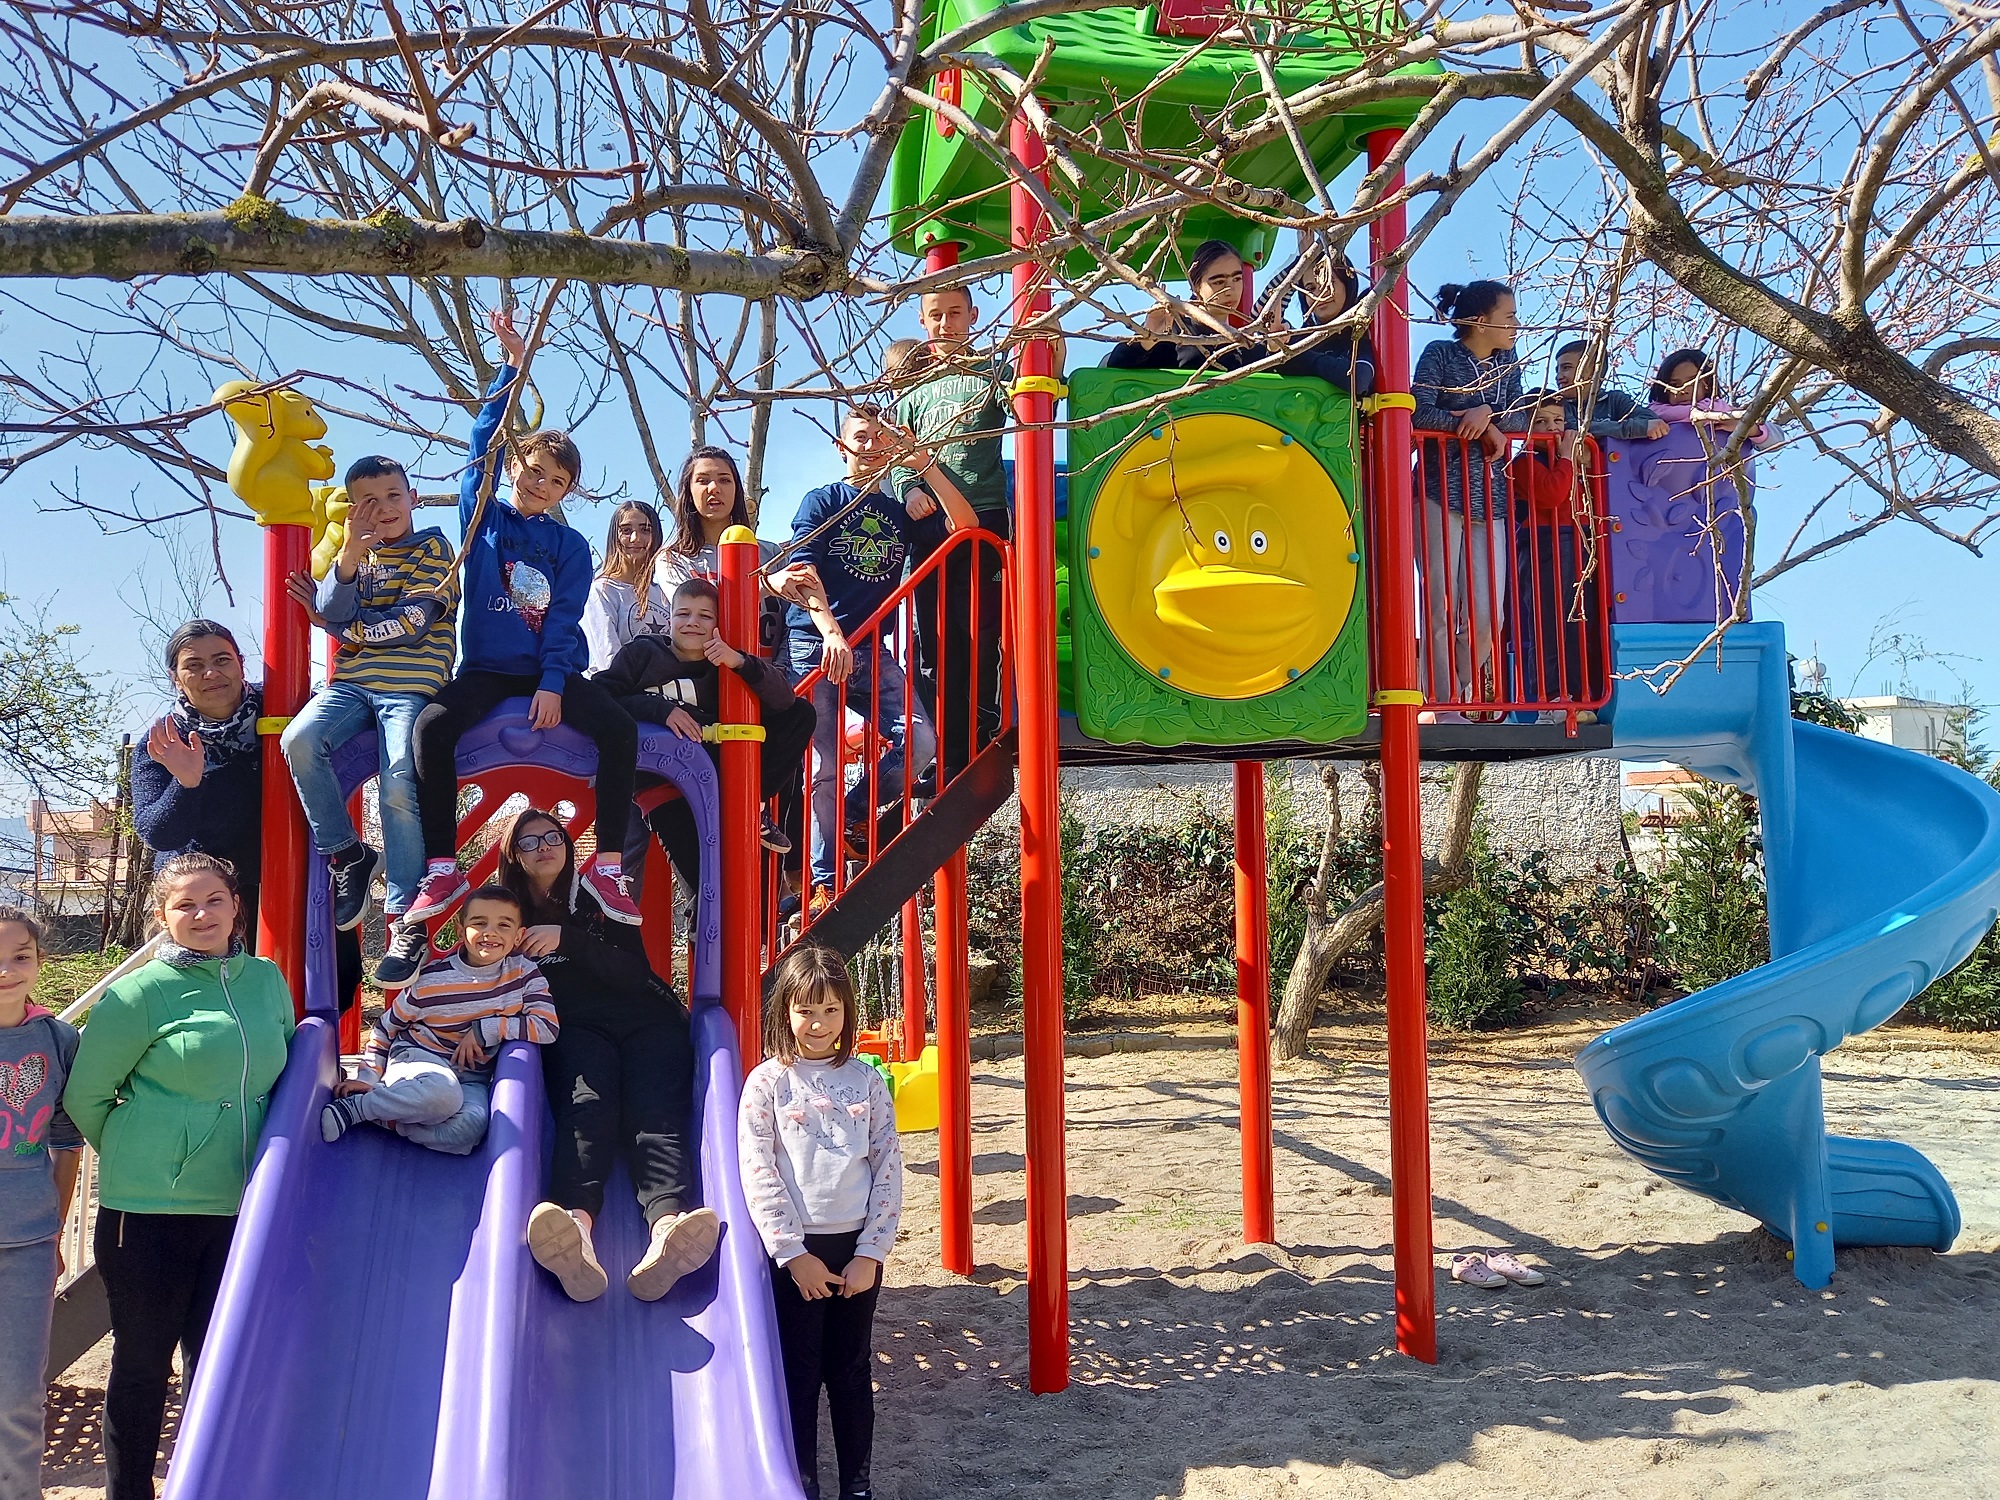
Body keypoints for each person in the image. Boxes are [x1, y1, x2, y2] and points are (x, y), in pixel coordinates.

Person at [63, 853, 295, 1500]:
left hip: (239, 1206)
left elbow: (291, 1064)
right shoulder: (138, 995)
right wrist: (154, 1152)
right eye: (184, 905)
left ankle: (206, 1485)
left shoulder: (266, 981)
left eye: (213, 900)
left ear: (234, 906)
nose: (201, 914)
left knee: (214, 1364)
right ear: (161, 916)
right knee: (141, 1368)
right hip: (150, 1211)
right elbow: (88, 1096)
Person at [406, 308, 643, 934]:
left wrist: (553, 682)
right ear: (517, 468)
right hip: (485, 669)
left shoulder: (570, 547)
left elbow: (564, 619)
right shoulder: (486, 519)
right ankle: (439, 865)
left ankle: (608, 866)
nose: (543, 483)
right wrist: (511, 368)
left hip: (546, 672)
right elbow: (479, 448)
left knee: (619, 730)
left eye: (557, 480)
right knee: (430, 728)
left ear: (568, 492)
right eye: (535, 470)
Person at [495, 811, 721, 1303]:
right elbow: (479, 969)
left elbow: (632, 970)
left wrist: (568, 940)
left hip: (646, 1018)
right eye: (529, 841)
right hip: (576, 1028)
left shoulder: (599, 894)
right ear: (514, 855)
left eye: (552, 836)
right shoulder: (507, 917)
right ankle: (575, 1231)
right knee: (586, 1111)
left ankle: (666, 1230)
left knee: (655, 1115)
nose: (543, 847)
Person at [279, 455, 460, 987]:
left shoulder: (433, 548)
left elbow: (412, 622)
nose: (382, 509)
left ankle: (406, 919)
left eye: (393, 496)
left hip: (411, 686)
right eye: (368, 501)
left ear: (413, 498)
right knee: (299, 740)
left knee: (400, 776)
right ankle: (350, 854)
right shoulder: (353, 556)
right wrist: (350, 558)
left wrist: (345, 627)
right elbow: (333, 607)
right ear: (354, 509)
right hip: (353, 685)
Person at [788, 408, 973, 911]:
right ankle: (824, 879)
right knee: (824, 763)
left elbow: (966, 526)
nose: (869, 446)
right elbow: (801, 571)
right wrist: (831, 633)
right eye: (859, 438)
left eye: (878, 439)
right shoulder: (823, 500)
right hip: (817, 643)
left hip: (871, 648)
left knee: (921, 739)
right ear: (840, 446)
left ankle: (853, 812)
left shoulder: (897, 512)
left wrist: (925, 465)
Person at [132, 620, 365, 1009]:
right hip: (212, 891)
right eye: (194, 665)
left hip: (295, 873)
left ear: (241, 663)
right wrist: (187, 784)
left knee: (332, 978)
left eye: (222, 659)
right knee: (216, 997)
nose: (211, 673)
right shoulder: (165, 743)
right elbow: (157, 832)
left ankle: (309, 1062)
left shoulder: (288, 712)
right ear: (175, 677)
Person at [739, 944, 901, 1500]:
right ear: (785, 1010)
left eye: (831, 1010)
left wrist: (871, 1253)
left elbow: (887, 1168)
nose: (819, 1023)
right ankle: (801, 1482)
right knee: (800, 1373)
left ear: (847, 1014)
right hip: (797, 1254)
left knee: (852, 1370)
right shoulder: (767, 1083)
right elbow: (758, 1170)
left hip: (854, 1247)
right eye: (807, 1009)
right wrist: (792, 1254)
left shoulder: (868, 1079)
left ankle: (857, 1483)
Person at [597, 577, 818, 882]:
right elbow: (602, 696)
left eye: (705, 616)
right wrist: (661, 710)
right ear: (669, 619)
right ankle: (699, 927)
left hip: (718, 776)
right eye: (683, 614)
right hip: (664, 783)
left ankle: (755, 803)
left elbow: (785, 701)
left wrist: (739, 662)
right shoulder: (642, 654)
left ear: (718, 624)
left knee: (801, 713)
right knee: (704, 887)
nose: (692, 623)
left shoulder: (724, 663)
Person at [891, 287, 1024, 781]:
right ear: (923, 322)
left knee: (982, 629)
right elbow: (897, 458)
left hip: (984, 514)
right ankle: (945, 741)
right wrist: (908, 491)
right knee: (933, 637)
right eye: (935, 315)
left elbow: (1030, 402)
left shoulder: (991, 373)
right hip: (929, 523)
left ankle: (983, 723)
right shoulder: (912, 390)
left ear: (973, 315)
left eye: (954, 313)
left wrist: (1045, 351)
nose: (945, 323)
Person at [321, 883, 555, 1155]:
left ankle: (389, 1119)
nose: (490, 932)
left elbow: (547, 1026)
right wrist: (368, 1076)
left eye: (504, 925)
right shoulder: (432, 980)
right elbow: (385, 1028)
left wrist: (486, 1029)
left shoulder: (524, 975)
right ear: (460, 930)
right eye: (479, 923)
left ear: (518, 936)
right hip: (418, 1058)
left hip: (470, 1079)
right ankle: (356, 1107)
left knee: (472, 1127)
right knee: (444, 1095)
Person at [1411, 279, 1528, 719]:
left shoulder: (1507, 361)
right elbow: (1418, 410)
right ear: (1481, 322)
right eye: (1509, 317)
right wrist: (1474, 419)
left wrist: (1486, 417)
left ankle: (1460, 689)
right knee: (1439, 604)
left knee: (1486, 614)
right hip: (1440, 492)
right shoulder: (1440, 354)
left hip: (1493, 498)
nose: (1516, 326)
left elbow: (1518, 413)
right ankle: (1442, 703)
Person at [0, 907, 82, 1500]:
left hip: (26, 1244)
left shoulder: (58, 1040)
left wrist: (54, 1232)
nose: (6, 970)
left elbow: (65, 1137)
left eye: (20, 956)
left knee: (18, 1396)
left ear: (38, 962)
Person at [655, 446, 824, 681]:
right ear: (688, 492)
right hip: (704, 686)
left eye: (724, 480)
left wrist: (779, 672)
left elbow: (793, 619)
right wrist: (766, 587)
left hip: (769, 683)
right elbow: (700, 617)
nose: (714, 488)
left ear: (736, 490)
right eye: (703, 481)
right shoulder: (672, 559)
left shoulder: (770, 554)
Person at [1507, 391, 1605, 723]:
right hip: (1542, 540)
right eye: (1542, 422)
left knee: (1576, 620)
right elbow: (1551, 493)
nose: (1553, 428)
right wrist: (1566, 456)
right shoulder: (1524, 461)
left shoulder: (1571, 459)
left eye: (1558, 421)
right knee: (1547, 621)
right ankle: (1550, 700)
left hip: (1576, 539)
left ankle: (1577, 697)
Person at [1104, 239, 1271, 372]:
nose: (1230, 290)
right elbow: (1115, 369)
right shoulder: (1172, 333)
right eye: (1219, 282)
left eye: (1237, 279)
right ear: (1195, 285)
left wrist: (1275, 346)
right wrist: (1148, 337)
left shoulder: (1246, 343)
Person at [582, 500, 672, 673]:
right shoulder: (602, 592)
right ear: (615, 537)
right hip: (620, 692)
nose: (635, 538)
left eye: (645, 530)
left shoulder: (666, 593)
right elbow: (608, 659)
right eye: (626, 530)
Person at [1274, 249, 1377, 394]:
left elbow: (1358, 380)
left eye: (1327, 282)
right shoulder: (1298, 339)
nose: (1320, 294)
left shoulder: (1358, 336)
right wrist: (1273, 348)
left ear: (1347, 284)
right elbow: (1264, 310)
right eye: (1310, 288)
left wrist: (1296, 355)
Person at [1648, 348, 1775, 445]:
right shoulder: (1650, 417)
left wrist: (1749, 428)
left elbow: (1776, 439)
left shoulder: (1725, 414)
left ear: (1707, 384)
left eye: (1693, 383)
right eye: (1674, 385)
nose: (1684, 390)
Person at [1552, 339, 1667, 441]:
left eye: (1566, 368)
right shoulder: (1558, 405)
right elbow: (1575, 428)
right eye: (1557, 370)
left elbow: (1650, 421)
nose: (1558, 376)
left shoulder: (1614, 400)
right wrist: (1634, 430)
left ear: (1592, 371)